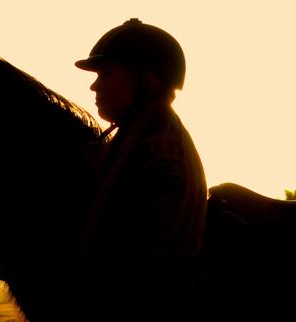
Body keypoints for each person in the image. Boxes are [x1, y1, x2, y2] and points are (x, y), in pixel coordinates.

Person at [75, 18, 208, 301]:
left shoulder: (159, 147)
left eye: (106, 74)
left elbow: (146, 256)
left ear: (148, 81)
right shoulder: (136, 136)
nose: (94, 87)